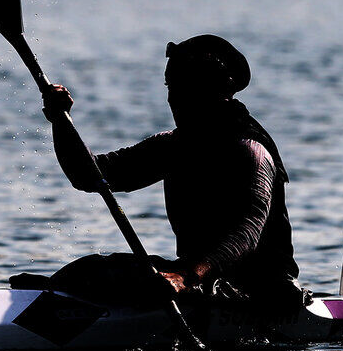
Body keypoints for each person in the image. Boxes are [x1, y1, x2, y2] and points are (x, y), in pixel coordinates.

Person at [43, 34, 303, 311]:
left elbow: (246, 233)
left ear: (219, 89)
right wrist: (61, 121)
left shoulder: (250, 151)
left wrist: (186, 277)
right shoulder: (174, 146)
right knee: (92, 269)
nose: (175, 98)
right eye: (171, 85)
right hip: (199, 281)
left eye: (188, 85)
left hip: (262, 292)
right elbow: (89, 176)